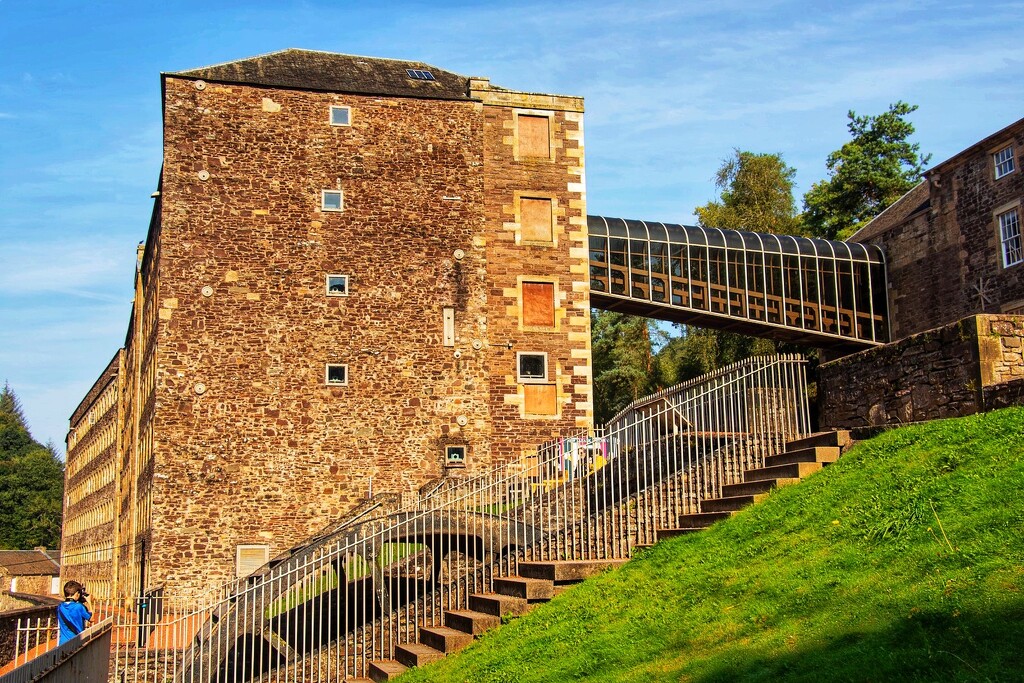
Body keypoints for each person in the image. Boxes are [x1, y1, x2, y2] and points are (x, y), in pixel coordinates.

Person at [57, 580, 92, 645]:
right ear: (77, 593)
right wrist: (89, 602)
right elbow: (91, 619)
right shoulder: (79, 607)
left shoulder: (60, 607)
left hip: (63, 642)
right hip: (76, 641)